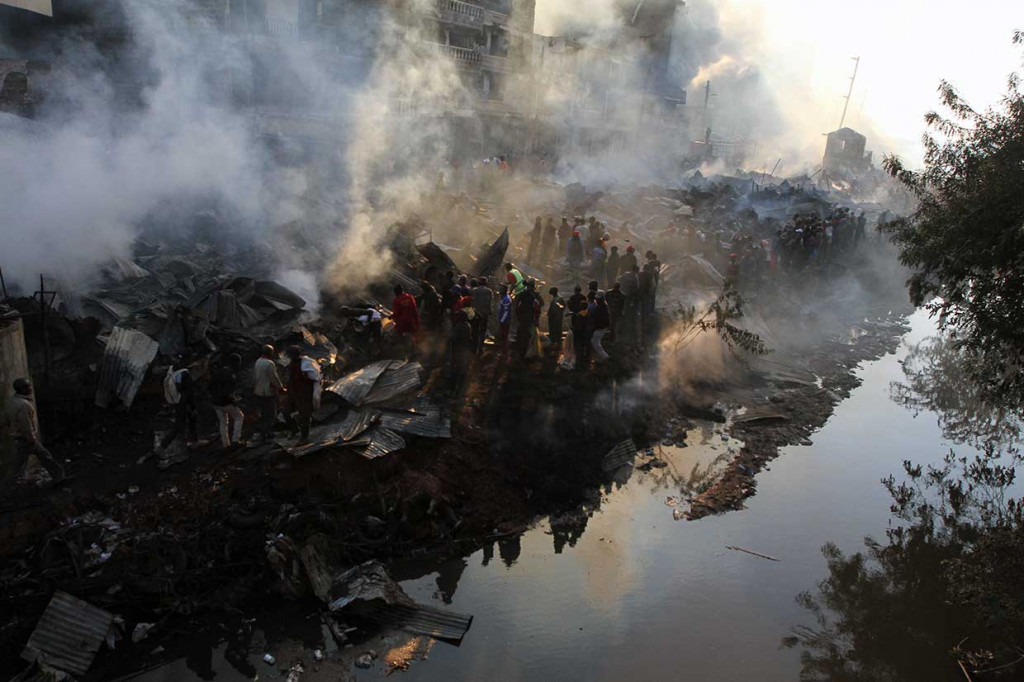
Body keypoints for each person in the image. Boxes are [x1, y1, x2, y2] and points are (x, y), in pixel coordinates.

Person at [3, 378, 64, 486]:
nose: (30, 388)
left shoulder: (11, 402)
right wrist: (31, 439)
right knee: (42, 458)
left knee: (23, 463)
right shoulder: (23, 405)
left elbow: (6, 421)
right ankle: (6, 489)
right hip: (26, 439)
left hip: (19, 438)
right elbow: (26, 425)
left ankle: (58, 477)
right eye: (28, 386)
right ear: (22, 389)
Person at [158, 358, 206, 459]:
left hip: (176, 400)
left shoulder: (172, 371)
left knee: (193, 418)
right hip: (183, 403)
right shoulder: (185, 375)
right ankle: (161, 447)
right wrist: (193, 407)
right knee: (179, 425)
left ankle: (195, 441)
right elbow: (189, 394)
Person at [210, 353, 245, 449]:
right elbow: (227, 391)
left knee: (223, 422)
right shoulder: (231, 375)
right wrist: (234, 400)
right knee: (239, 417)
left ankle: (225, 444)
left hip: (215, 401)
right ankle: (235, 440)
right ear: (236, 363)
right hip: (224, 401)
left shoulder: (218, 371)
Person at [287, 346, 319, 444]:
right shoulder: (293, 363)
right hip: (296, 392)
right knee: (290, 411)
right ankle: (295, 430)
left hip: (304, 393)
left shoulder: (305, 364)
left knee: (305, 415)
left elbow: (313, 377)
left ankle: (304, 437)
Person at [253, 345, 284, 443]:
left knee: (264, 413)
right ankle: (265, 433)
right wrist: (281, 388)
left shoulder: (258, 361)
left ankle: (264, 432)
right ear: (270, 353)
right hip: (267, 392)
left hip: (258, 391)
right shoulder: (269, 363)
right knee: (271, 414)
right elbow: (274, 378)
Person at [449, 308, 474, 391]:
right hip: (465, 349)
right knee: (463, 369)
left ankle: (453, 389)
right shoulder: (468, 326)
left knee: (455, 370)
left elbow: (453, 337)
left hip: (458, 350)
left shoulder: (459, 327)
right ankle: (462, 388)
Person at [515, 279, 541, 359]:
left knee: (523, 335)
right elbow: (538, 307)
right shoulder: (535, 295)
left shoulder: (522, 294)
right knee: (530, 336)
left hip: (524, 318)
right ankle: (528, 352)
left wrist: (518, 317)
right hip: (530, 318)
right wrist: (536, 318)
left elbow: (517, 306)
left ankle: (523, 352)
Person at [392, 284, 421, 350]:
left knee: (398, 334)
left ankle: (403, 349)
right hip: (411, 320)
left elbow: (396, 313)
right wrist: (417, 320)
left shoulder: (396, 300)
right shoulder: (410, 297)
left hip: (402, 322)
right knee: (414, 334)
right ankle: (416, 349)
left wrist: (392, 318)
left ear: (396, 292)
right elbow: (414, 309)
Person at [471, 276, 494, 355]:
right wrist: (489, 311)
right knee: (482, 331)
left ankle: (474, 348)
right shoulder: (489, 291)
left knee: (475, 331)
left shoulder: (474, 291)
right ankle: (480, 348)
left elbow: (471, 302)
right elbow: (490, 303)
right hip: (484, 314)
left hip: (475, 314)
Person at [619, 265, 640, 345]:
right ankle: (625, 327)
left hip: (621, 294)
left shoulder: (625, 274)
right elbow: (636, 289)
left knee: (621, 309)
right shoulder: (635, 278)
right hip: (628, 296)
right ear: (637, 271)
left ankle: (620, 321)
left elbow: (619, 280)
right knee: (627, 311)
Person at [591, 291, 611, 363]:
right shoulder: (601, 306)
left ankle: (605, 357)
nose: (596, 300)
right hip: (600, 326)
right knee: (596, 342)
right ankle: (600, 358)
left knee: (595, 342)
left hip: (601, 327)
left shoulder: (602, 307)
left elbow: (601, 319)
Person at [571, 302, 591, 370]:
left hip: (577, 334)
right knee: (585, 349)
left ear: (580, 307)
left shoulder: (577, 315)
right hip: (586, 334)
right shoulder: (589, 314)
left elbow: (573, 324)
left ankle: (578, 365)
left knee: (578, 350)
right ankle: (586, 364)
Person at [497, 284, 513, 360]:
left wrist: (501, 321)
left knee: (504, 338)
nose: (499, 290)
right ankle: (503, 353)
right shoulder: (504, 298)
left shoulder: (506, 299)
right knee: (503, 338)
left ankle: (505, 354)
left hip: (505, 322)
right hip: (504, 321)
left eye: (501, 289)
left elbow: (506, 312)